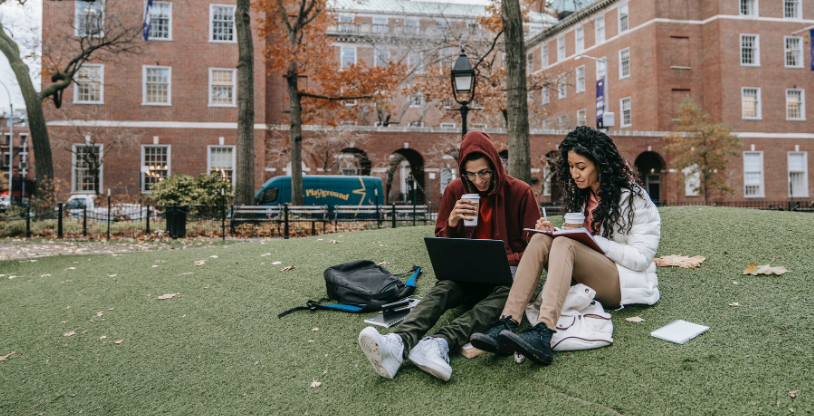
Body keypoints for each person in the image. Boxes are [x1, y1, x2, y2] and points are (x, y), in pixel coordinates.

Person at [357, 130, 541, 381]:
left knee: (507, 295)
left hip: (506, 276)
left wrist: (510, 256)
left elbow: (535, 248)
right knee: (443, 287)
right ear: (462, 171)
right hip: (467, 275)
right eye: (471, 173)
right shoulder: (455, 190)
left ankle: (440, 342)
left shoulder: (520, 192)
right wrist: (453, 222)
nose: (479, 180)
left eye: (485, 172)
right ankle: (398, 342)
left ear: (496, 166)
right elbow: (443, 245)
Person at [470, 126, 661, 365]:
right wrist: (554, 231)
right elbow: (577, 241)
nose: (575, 174)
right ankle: (506, 322)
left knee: (564, 245)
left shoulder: (634, 198)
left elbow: (642, 258)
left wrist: (591, 241)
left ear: (601, 164)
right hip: (585, 273)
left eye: (581, 167)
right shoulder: (582, 196)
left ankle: (543, 331)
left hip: (621, 280)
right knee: (542, 238)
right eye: (571, 167)